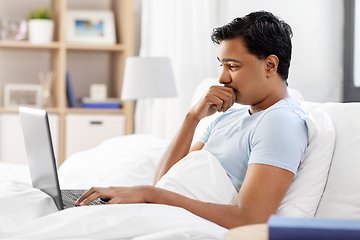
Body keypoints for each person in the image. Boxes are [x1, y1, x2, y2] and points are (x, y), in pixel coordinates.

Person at [76, 11, 308, 229]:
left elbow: (249, 219)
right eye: (221, 64)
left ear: (270, 65)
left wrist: (149, 195)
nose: (222, 77)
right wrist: (193, 117)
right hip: (162, 214)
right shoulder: (228, 117)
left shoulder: (280, 122)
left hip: (182, 224)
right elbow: (166, 182)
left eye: (233, 66)